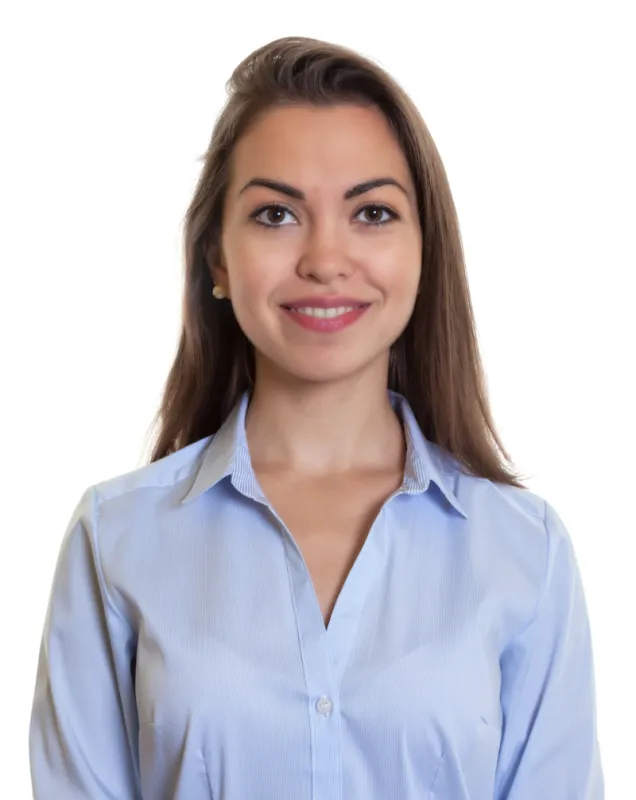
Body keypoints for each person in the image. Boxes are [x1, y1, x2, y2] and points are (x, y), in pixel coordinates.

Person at [29, 35, 604, 799]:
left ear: (424, 252)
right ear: (218, 260)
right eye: (275, 214)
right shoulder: (117, 541)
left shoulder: (524, 555)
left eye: (372, 212)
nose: (326, 259)